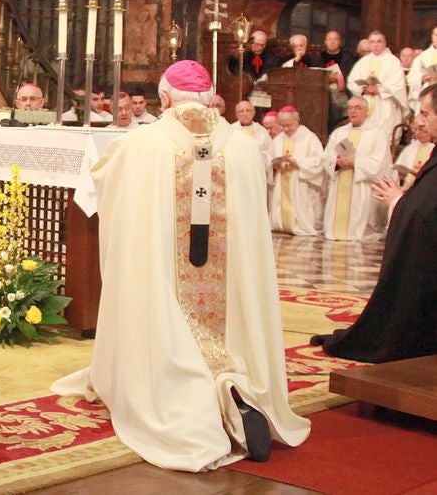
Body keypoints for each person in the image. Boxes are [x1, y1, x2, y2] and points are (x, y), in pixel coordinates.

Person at [52, 60, 309, 471]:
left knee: (167, 319)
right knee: (225, 342)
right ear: (211, 99)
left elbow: (103, 184)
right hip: (227, 301)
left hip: (169, 288)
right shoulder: (242, 146)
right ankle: (233, 389)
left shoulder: (143, 144)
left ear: (165, 97)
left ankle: (198, 408)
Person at [311, 84, 437, 363]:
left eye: (426, 113)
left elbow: (425, 213)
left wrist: (398, 202)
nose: (420, 120)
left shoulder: (377, 133)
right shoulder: (340, 132)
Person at [320, 96, 390, 241]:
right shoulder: (339, 133)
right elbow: (326, 158)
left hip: (361, 186)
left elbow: (379, 164)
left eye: (357, 108)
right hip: (340, 182)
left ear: (366, 111)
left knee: (358, 227)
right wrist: (338, 163)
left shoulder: (377, 133)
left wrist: (354, 162)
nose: (353, 111)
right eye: (350, 108)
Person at [269, 106, 324, 236]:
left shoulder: (309, 137)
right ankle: (280, 223)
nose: (286, 129)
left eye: (289, 125)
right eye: (282, 126)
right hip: (281, 179)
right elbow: (270, 160)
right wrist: (276, 163)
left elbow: (318, 162)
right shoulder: (278, 139)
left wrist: (297, 161)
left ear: (297, 121)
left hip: (300, 181)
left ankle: (298, 225)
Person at [347, 30, 407, 139]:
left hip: (384, 104)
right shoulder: (363, 62)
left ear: (385, 43)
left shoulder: (393, 62)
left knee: (383, 138)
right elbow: (352, 82)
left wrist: (380, 90)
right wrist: (363, 89)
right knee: (363, 138)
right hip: (365, 104)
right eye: (372, 42)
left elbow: (398, 86)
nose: (375, 45)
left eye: (379, 41)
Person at [393, 114, 432, 192]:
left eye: (421, 130)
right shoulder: (410, 149)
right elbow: (396, 173)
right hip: (408, 191)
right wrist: (401, 176)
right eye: (415, 129)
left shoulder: (434, 149)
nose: (417, 134)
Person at [406, 25, 437, 114]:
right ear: (432, 37)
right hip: (426, 93)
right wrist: (421, 79)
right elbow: (410, 78)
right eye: (436, 35)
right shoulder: (422, 57)